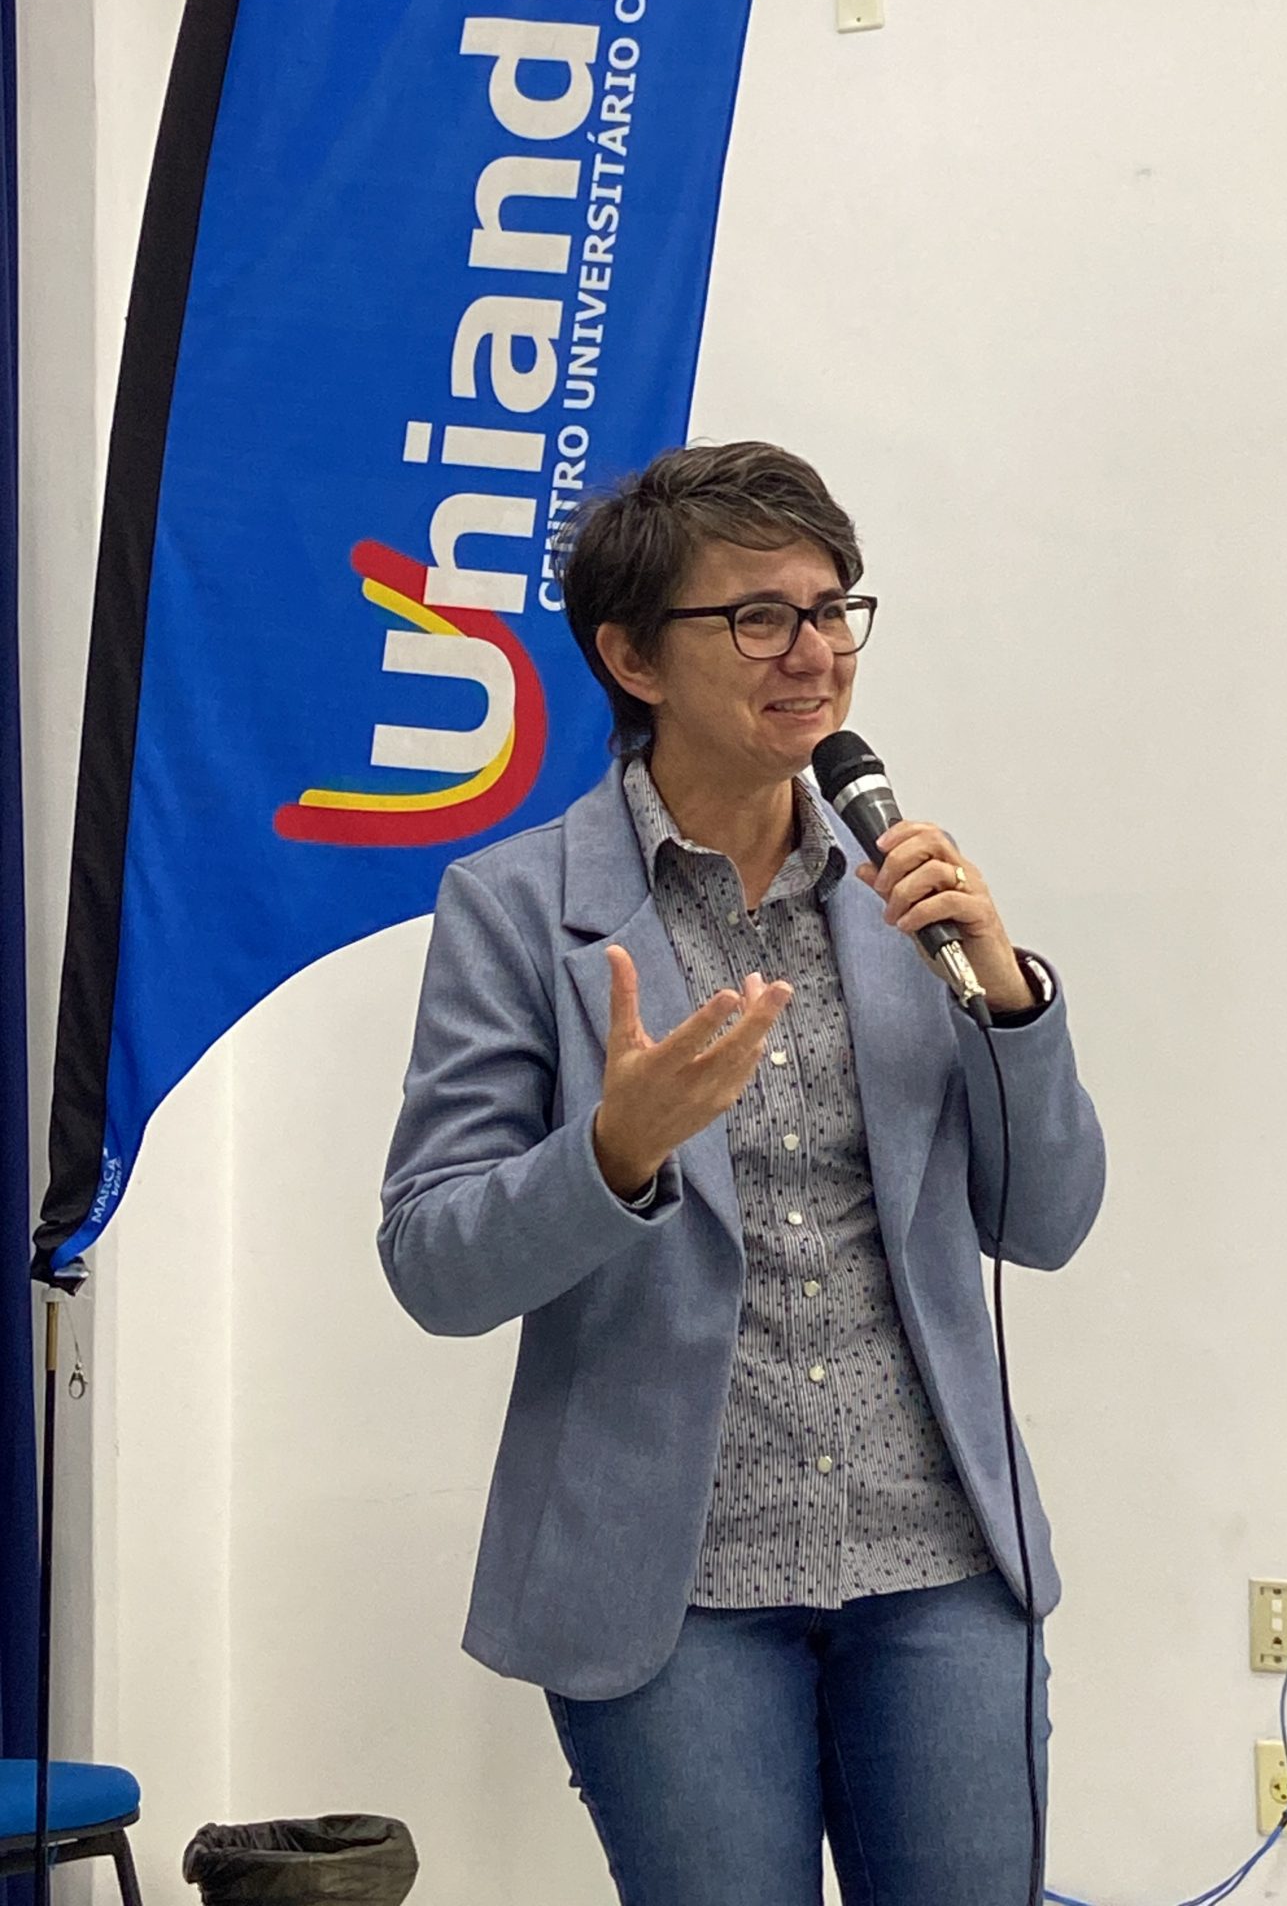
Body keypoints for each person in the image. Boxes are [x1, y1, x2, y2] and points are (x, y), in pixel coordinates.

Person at [379, 439, 1105, 1906]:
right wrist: (613, 1153)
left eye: (834, 610)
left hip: (940, 1565)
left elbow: (1045, 1224)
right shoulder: (516, 910)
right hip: (673, 1597)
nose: (816, 654)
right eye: (760, 617)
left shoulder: (905, 899)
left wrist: (1010, 1000)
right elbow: (433, 1265)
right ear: (633, 657)